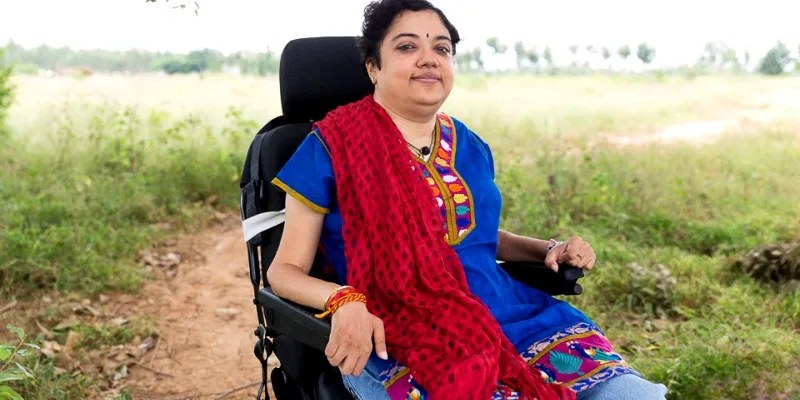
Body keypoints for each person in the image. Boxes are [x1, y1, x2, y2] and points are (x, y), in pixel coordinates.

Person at [266, 0, 669, 399]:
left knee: (635, 396)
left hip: (512, 315)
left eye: (441, 48)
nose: (429, 59)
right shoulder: (330, 147)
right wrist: (343, 299)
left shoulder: (468, 144)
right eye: (407, 46)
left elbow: (472, 235)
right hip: (400, 332)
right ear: (373, 67)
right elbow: (284, 271)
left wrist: (548, 249)